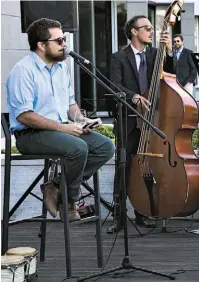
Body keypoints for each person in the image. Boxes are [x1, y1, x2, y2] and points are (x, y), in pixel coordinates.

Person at [5, 18, 115, 222]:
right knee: (78, 148)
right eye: (60, 40)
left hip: (59, 131)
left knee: (105, 146)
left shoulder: (62, 68)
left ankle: (56, 187)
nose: (65, 44)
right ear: (41, 45)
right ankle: (69, 203)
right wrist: (64, 129)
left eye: (64, 39)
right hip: (30, 135)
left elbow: (70, 104)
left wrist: (81, 120)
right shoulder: (23, 71)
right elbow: (24, 115)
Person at [107, 15, 174, 233]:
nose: (151, 31)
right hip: (129, 121)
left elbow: (172, 77)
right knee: (124, 166)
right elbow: (113, 85)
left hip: (152, 121)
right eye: (146, 28)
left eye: (152, 28)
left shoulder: (156, 54)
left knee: (147, 166)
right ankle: (119, 216)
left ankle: (143, 211)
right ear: (134, 32)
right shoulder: (119, 57)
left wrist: (169, 52)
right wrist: (133, 96)